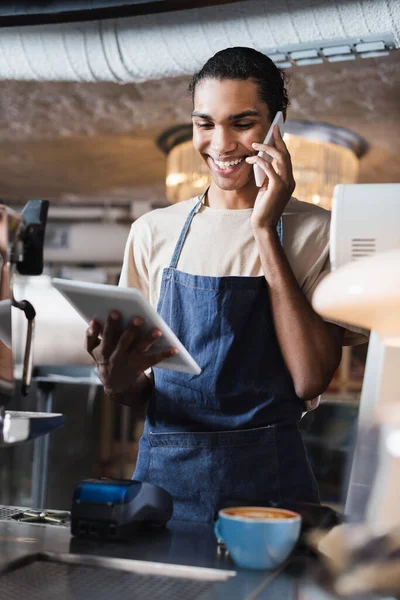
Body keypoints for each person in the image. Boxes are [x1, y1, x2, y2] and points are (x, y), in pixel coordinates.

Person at [85, 47, 367, 523]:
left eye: (241, 123)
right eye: (204, 124)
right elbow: (142, 392)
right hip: (162, 486)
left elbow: (311, 377)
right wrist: (115, 381)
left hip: (270, 488)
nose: (221, 144)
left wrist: (265, 230)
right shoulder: (154, 232)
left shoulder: (320, 231)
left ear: (278, 126)